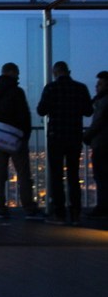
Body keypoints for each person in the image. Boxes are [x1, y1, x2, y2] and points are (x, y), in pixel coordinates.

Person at [37, 61, 93, 225]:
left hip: (56, 136)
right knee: (73, 175)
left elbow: (41, 110)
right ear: (68, 71)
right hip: (74, 135)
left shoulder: (51, 88)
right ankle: (75, 213)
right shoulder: (80, 88)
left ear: (55, 72)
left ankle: (59, 214)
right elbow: (89, 111)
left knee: (56, 176)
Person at [0, 62, 40, 219]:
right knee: (23, 173)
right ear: (11, 72)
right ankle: (29, 208)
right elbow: (24, 115)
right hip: (16, 136)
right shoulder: (16, 91)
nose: (19, 76)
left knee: (0, 173)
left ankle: (0, 208)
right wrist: (24, 135)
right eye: (17, 73)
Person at [83, 71, 108, 219]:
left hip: (102, 144)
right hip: (102, 143)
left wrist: (86, 136)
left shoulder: (104, 101)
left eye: (100, 84)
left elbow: (98, 121)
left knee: (101, 177)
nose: (96, 87)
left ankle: (102, 207)